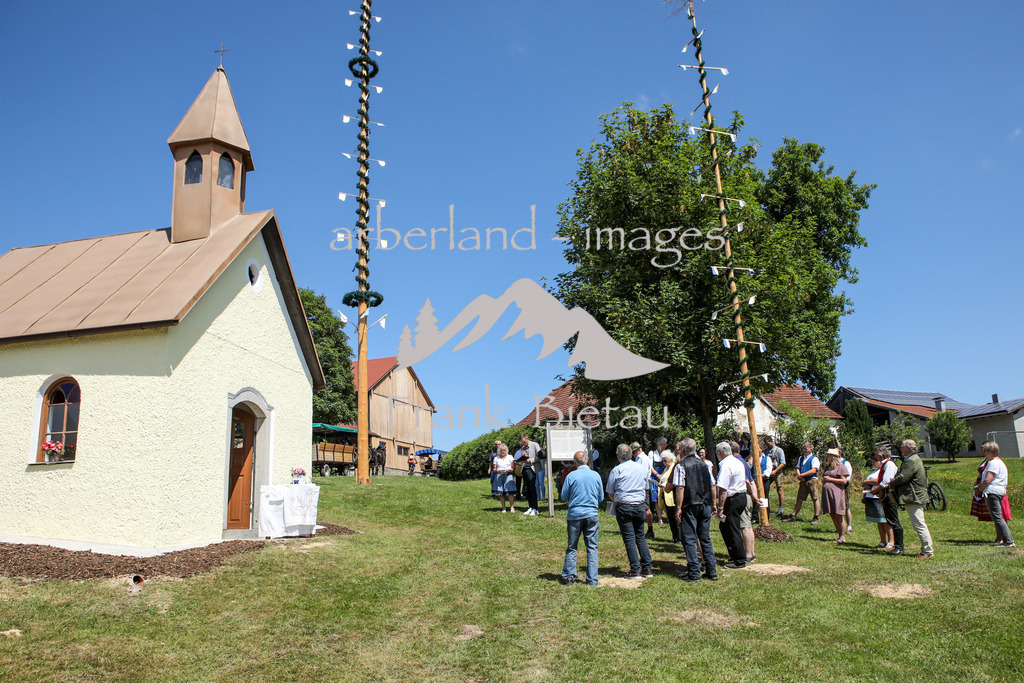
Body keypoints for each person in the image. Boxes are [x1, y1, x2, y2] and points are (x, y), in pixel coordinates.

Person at [670, 437, 718, 581]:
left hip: (690, 504)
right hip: (704, 504)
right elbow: (713, 484)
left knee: (690, 538)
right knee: (705, 538)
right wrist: (713, 503)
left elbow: (680, 487)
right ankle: (711, 571)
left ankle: (694, 572)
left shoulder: (681, 465)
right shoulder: (704, 464)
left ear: (683, 450)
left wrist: (678, 508)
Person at [878, 439, 933, 558]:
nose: (901, 449)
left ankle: (927, 551)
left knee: (919, 524)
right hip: (915, 496)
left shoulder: (912, 460)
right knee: (918, 523)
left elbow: (903, 477)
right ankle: (926, 549)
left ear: (908, 448)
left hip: (914, 497)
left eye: (902, 447)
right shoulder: (914, 459)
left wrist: (891, 483)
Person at [606, 443, 653, 579]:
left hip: (624, 505)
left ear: (618, 456)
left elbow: (610, 492)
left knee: (629, 539)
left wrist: (617, 501)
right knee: (640, 536)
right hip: (639, 505)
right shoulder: (640, 468)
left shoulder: (617, 470)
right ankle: (648, 568)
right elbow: (646, 487)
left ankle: (635, 570)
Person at [560, 450, 604, 585]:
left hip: (575, 514)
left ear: (574, 463)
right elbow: (601, 497)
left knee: (572, 546)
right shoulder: (596, 475)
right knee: (592, 547)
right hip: (591, 514)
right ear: (588, 459)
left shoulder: (571, 476)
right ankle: (592, 579)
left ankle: (569, 576)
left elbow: (563, 496)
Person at [970, 443, 1014, 544]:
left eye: (985, 451)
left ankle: (1008, 541)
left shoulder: (993, 463)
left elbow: (987, 480)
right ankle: (1006, 540)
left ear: (991, 452)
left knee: (997, 518)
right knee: (998, 517)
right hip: (998, 491)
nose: (983, 452)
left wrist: (979, 490)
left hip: (993, 492)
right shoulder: (997, 462)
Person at [716, 441, 748, 569]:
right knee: (725, 527)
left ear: (721, 452)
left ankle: (739, 559)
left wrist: (720, 507)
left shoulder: (726, 465)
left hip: (732, 498)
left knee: (732, 528)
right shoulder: (737, 462)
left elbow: (723, 489)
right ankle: (734, 555)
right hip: (741, 496)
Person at [869, 445, 905, 555]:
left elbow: (886, 482)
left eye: (875, 454)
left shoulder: (889, 464)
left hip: (889, 495)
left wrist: (875, 490)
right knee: (890, 519)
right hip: (885, 495)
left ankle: (899, 545)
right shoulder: (884, 464)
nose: (874, 456)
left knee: (893, 520)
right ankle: (897, 545)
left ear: (881, 454)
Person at [732, 440, 760, 563]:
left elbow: (748, 481)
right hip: (748, 495)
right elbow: (752, 481)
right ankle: (751, 552)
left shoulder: (737, 463)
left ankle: (749, 554)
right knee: (747, 525)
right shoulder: (743, 462)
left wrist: (752, 495)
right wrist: (754, 496)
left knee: (745, 526)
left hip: (743, 495)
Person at [863, 450, 894, 549]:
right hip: (871, 497)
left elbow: (879, 481)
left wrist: (866, 481)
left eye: (874, 461)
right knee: (879, 521)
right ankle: (882, 541)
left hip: (879, 497)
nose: (873, 463)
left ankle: (891, 541)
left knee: (885, 521)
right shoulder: (875, 471)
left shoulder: (885, 469)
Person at [784, 442, 821, 524]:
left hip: (811, 480)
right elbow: (798, 467)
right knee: (800, 498)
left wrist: (802, 474)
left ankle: (816, 516)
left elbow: (814, 470)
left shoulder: (814, 459)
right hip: (803, 480)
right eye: (804, 449)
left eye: (806, 449)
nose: (804, 450)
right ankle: (793, 515)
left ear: (811, 449)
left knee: (815, 498)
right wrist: (799, 475)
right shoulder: (801, 458)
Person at [821, 448, 850, 543]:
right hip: (828, 493)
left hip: (837, 493)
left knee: (838, 514)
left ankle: (842, 536)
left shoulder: (840, 466)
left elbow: (844, 480)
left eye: (828, 455)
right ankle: (839, 535)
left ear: (833, 457)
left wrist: (830, 479)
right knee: (832, 514)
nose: (826, 457)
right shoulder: (827, 467)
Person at [632, 441, 658, 540]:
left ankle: (649, 529)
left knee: (646, 508)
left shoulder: (642, 459)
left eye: (634, 452)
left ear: (638, 450)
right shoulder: (642, 458)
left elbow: (641, 473)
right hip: (643, 485)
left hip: (642, 486)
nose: (633, 455)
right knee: (644, 507)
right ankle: (646, 529)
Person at [514, 433, 544, 517]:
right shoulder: (523, 447)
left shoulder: (535, 445)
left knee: (532, 488)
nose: (523, 444)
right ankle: (530, 507)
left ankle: (535, 508)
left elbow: (540, 456)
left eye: (524, 442)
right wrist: (522, 456)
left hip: (532, 468)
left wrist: (530, 460)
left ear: (527, 438)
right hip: (524, 469)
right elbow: (524, 457)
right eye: (521, 443)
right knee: (527, 489)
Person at [658, 451, 681, 544]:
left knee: (676, 519)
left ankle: (679, 538)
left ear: (671, 459)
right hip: (665, 496)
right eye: (663, 461)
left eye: (665, 460)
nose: (664, 463)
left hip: (672, 496)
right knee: (670, 518)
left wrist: (664, 485)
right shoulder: (666, 469)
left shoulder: (674, 468)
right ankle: (675, 537)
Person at [648, 437, 671, 526]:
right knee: (656, 498)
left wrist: (664, 476)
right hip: (655, 477)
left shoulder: (667, 453)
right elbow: (650, 467)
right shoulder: (652, 454)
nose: (664, 446)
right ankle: (660, 518)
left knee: (666, 496)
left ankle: (669, 516)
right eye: (663, 444)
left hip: (665, 476)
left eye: (665, 444)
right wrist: (658, 475)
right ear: (658, 445)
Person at [763, 436, 787, 516]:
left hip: (777, 471)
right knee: (764, 489)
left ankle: (781, 509)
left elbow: (783, 463)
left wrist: (775, 471)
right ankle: (764, 506)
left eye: (768, 443)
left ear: (771, 441)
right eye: (766, 444)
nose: (767, 445)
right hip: (768, 472)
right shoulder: (766, 451)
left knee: (779, 489)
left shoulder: (779, 450)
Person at [493, 444, 517, 513]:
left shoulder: (510, 457)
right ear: (499, 451)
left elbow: (514, 467)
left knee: (510, 492)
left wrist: (509, 469)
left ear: (506, 450)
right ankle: (503, 508)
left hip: (508, 475)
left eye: (504, 450)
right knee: (501, 493)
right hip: (499, 475)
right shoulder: (496, 458)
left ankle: (512, 507)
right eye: (501, 450)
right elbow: (494, 468)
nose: (502, 452)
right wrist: (496, 470)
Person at [839, 447, 854, 534]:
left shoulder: (845, 463)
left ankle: (849, 526)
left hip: (844, 487)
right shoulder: (833, 463)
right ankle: (841, 525)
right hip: (836, 487)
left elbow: (848, 478)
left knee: (846, 506)